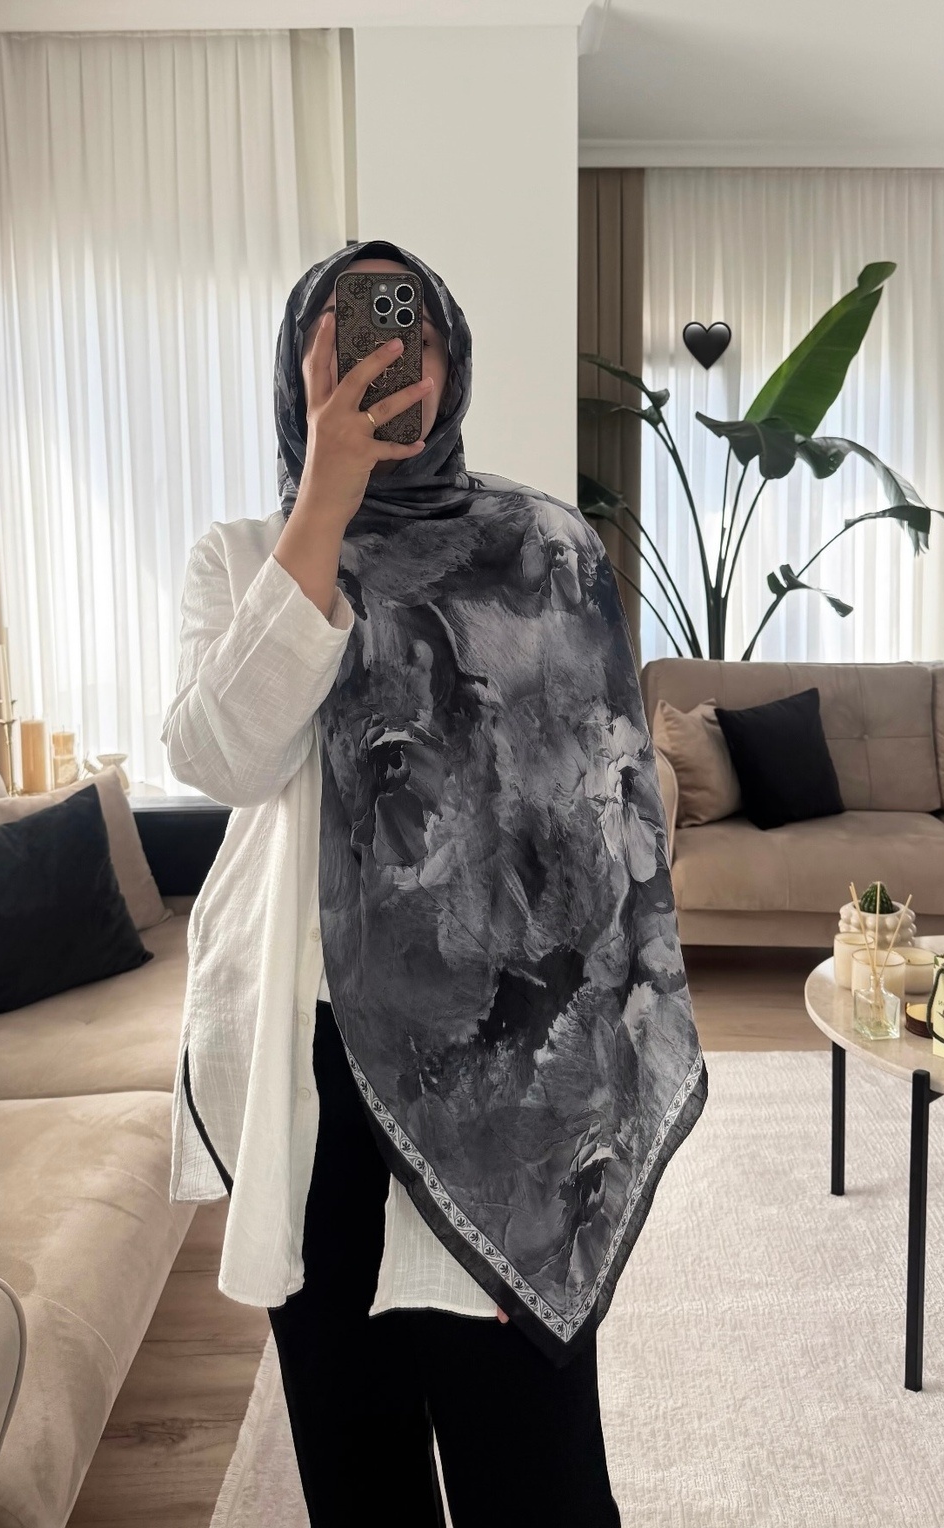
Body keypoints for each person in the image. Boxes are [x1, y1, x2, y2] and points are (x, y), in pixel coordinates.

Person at [162, 240, 708, 1527]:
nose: (385, 352)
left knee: (539, 1477)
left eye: (410, 327)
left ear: (452, 358)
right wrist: (325, 502)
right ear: (303, 365)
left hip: (514, 1067)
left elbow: (604, 824)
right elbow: (222, 758)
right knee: (359, 1472)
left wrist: (589, 1098)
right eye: (350, 327)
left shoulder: (547, 553)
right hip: (313, 1070)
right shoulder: (247, 557)